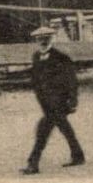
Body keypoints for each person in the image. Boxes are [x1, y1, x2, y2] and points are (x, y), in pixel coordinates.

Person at [21, 26, 84, 174]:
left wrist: (73, 100)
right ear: (36, 40)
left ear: (52, 39)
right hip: (45, 102)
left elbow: (72, 80)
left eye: (46, 38)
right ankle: (78, 155)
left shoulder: (61, 57)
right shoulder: (36, 56)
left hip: (59, 102)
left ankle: (33, 163)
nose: (43, 41)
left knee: (43, 130)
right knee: (65, 128)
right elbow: (35, 79)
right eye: (40, 38)